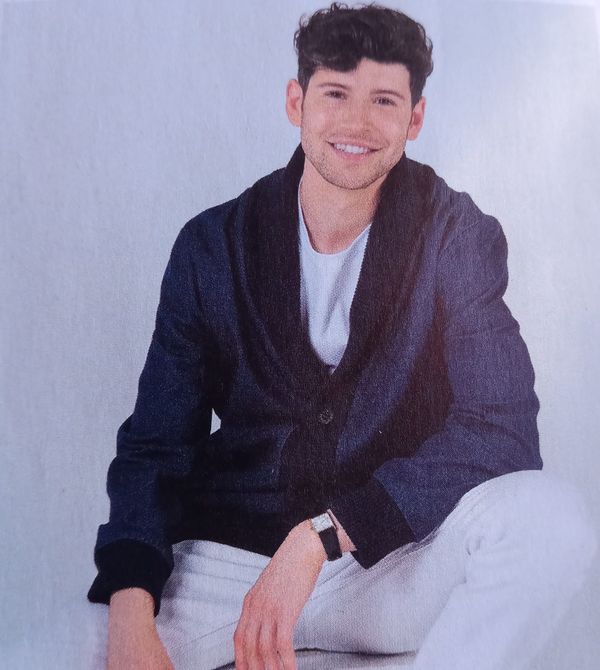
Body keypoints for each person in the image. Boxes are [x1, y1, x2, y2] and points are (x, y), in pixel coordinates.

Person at [87, 3, 597, 669]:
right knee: (56, 651)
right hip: (229, 565)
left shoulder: (456, 235)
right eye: (335, 94)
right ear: (296, 102)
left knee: (553, 521)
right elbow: (157, 445)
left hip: (391, 563)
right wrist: (131, 608)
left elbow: (501, 430)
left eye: (384, 100)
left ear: (415, 118)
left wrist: (324, 535)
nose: (357, 123)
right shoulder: (212, 246)